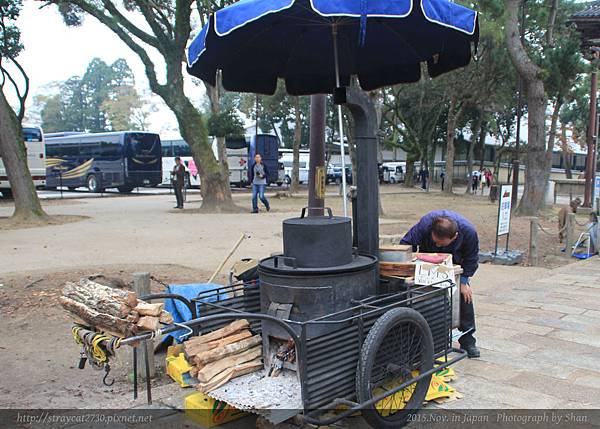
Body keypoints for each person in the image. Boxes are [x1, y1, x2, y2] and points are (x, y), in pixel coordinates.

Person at [401, 210, 480, 358]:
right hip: (427, 263)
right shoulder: (425, 225)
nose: (437, 245)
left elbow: (471, 258)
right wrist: (408, 267)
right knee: (426, 298)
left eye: (440, 243)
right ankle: (429, 338)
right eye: (435, 241)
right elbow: (405, 244)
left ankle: (468, 340)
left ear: (454, 237)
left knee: (464, 297)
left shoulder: (469, 232)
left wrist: (464, 282)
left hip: (456, 263)